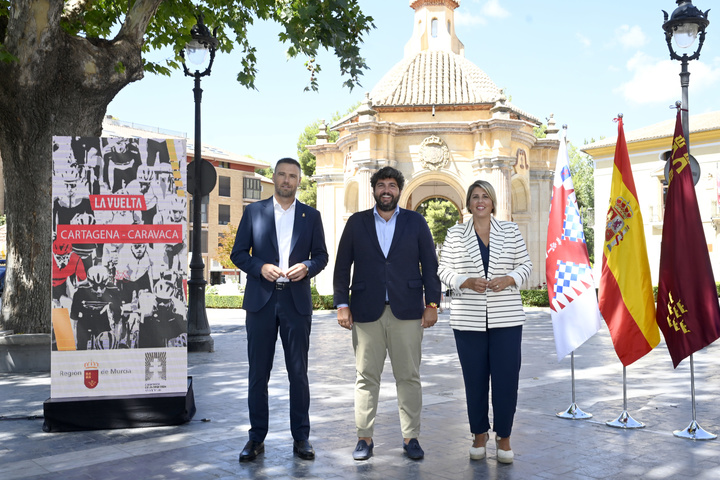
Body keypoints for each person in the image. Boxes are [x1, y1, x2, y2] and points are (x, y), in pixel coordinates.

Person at [334, 166, 441, 461]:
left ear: (399, 190)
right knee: (366, 377)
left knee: (408, 376)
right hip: (365, 312)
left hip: (407, 312)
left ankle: (411, 438)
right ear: (374, 190)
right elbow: (343, 266)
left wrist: (432, 304)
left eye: (392, 185)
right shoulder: (356, 223)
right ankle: (364, 439)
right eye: (381, 185)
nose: (386, 190)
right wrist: (342, 303)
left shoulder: (416, 222)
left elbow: (430, 266)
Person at [231, 157, 328, 462]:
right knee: (258, 374)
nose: (287, 180)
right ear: (273, 178)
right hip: (261, 301)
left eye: (293, 176)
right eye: (282, 175)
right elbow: (238, 254)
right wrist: (261, 267)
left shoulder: (311, 216)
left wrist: (307, 267)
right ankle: (256, 438)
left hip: (296, 302)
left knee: (298, 374)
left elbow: (322, 256)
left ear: (299, 181)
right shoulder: (253, 212)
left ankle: (301, 438)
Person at [437, 180, 532, 464]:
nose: (480, 201)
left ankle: (504, 437)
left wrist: (510, 278)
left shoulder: (511, 231)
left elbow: (526, 265)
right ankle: (479, 434)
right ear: (469, 203)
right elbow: (443, 269)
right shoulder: (455, 234)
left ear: (493, 202)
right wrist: (463, 281)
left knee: (506, 381)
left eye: (485, 196)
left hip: (507, 319)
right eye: (475, 197)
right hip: (468, 320)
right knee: (474, 381)